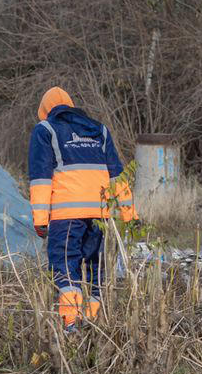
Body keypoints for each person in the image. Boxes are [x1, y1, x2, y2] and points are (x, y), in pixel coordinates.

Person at [27, 87, 136, 329]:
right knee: (95, 269)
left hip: (66, 215)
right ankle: (93, 320)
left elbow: (40, 178)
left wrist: (40, 219)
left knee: (65, 266)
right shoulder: (99, 130)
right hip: (100, 215)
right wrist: (129, 215)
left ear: (45, 111)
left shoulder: (45, 130)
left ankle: (70, 324)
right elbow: (117, 175)